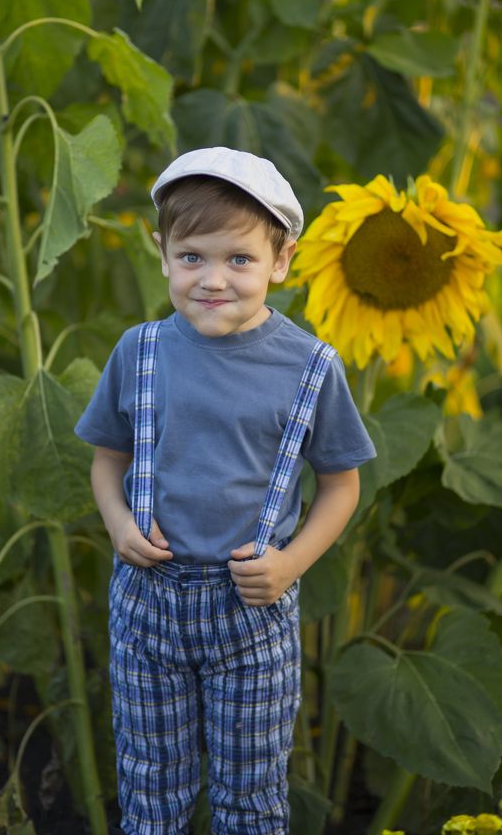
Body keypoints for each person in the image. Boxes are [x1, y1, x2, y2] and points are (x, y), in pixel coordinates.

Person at [74, 147, 376, 835]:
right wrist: (119, 524)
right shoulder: (140, 351)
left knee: (251, 795)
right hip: (148, 607)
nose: (213, 280)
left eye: (238, 260)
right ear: (163, 253)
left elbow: (341, 486)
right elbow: (106, 460)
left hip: (251, 612)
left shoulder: (309, 367)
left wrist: (290, 564)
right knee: (152, 791)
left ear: (281, 261)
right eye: (192, 258)